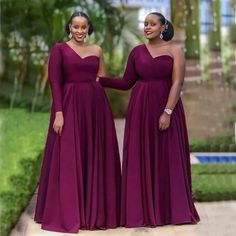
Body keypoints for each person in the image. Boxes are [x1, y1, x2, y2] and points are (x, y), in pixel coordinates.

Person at [98, 12, 200, 227]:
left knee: (168, 155)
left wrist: (168, 111)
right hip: (140, 111)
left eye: (152, 24)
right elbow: (127, 82)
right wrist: (100, 81)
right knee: (139, 155)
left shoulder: (174, 50)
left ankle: (171, 211)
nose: (147, 27)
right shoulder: (136, 52)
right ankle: (140, 211)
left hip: (166, 109)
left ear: (163, 27)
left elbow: (177, 83)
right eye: (145, 24)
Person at [34, 11, 121, 233]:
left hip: (95, 107)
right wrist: (59, 113)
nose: (80, 31)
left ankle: (93, 211)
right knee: (69, 155)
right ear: (69, 27)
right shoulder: (59, 49)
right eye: (75, 27)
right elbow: (55, 82)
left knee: (93, 154)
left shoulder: (97, 50)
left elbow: (101, 77)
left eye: (83, 27)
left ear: (88, 28)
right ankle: (69, 212)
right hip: (69, 106)